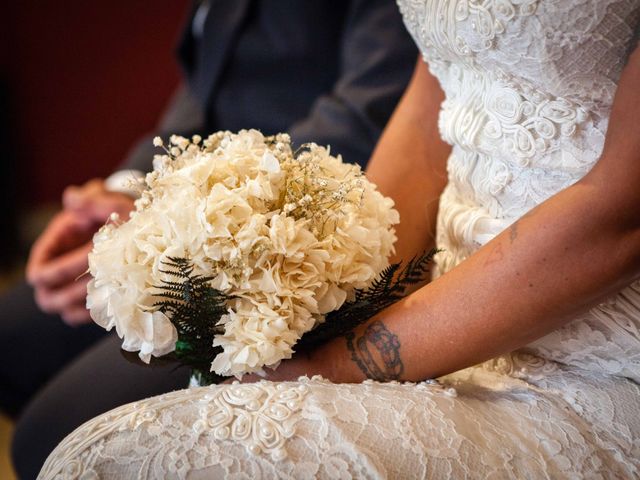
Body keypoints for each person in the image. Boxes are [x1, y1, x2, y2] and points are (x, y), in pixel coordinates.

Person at [39, 1, 640, 479]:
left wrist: (344, 360)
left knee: (111, 461)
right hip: (433, 294)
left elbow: (621, 213)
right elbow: (433, 107)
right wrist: (332, 295)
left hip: (595, 355)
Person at [4, 1, 417, 477]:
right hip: (190, 200)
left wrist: (181, 206)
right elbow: (206, 86)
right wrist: (130, 187)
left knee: (51, 434)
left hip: (293, 220)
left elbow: (366, 115)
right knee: (13, 341)